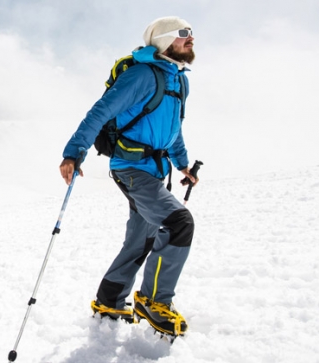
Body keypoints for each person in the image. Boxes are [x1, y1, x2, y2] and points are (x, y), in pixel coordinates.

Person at [59, 16, 198, 337]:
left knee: (142, 239)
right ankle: (153, 301)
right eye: (183, 33)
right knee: (179, 223)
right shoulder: (141, 75)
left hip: (156, 170)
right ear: (163, 40)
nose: (191, 38)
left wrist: (183, 165)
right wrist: (74, 151)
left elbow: (173, 130)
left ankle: (110, 300)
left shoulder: (178, 80)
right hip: (131, 169)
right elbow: (100, 111)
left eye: (191, 33)